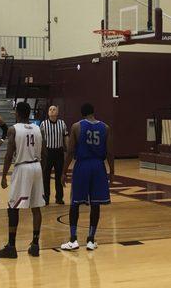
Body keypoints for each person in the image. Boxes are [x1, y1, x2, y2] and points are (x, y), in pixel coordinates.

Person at [0, 102, 45, 259]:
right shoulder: (38, 128)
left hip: (22, 167)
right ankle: (35, 244)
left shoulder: (13, 129)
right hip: (37, 166)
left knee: (13, 207)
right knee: (36, 207)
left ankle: (11, 246)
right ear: (29, 113)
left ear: (17, 113)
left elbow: (9, 154)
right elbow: (44, 151)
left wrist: (3, 175)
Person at [60, 103, 114, 251]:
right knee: (95, 203)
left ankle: (73, 239)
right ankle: (90, 239)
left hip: (82, 166)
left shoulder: (77, 127)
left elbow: (70, 151)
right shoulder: (106, 128)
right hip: (98, 166)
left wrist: (64, 171)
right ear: (93, 112)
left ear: (82, 113)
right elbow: (109, 152)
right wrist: (112, 172)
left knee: (75, 202)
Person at [41, 105, 69, 205]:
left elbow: (66, 137)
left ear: (57, 112)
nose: (52, 111)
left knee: (59, 176)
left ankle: (59, 198)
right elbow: (41, 140)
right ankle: (46, 198)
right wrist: (42, 153)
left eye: (54, 109)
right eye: (50, 109)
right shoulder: (43, 124)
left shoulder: (62, 123)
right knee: (45, 176)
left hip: (59, 152)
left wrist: (68, 150)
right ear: (48, 113)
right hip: (47, 152)